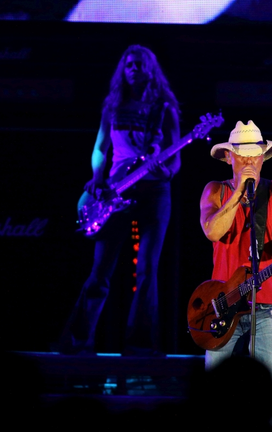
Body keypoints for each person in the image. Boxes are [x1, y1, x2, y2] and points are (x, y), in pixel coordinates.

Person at [57, 44, 181, 356]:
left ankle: (139, 345)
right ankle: (77, 342)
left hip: (154, 192)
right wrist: (98, 177)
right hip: (116, 190)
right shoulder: (113, 106)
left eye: (139, 64)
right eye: (128, 65)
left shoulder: (164, 108)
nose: (133, 69)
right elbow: (100, 147)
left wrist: (163, 171)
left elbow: (175, 158)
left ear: (150, 68)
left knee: (147, 270)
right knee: (101, 270)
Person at [199, 120, 272, 426]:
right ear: (229, 157)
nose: (251, 160)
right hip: (222, 305)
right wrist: (239, 191)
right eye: (244, 154)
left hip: (267, 307)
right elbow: (213, 231)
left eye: (256, 154)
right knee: (214, 392)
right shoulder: (215, 190)